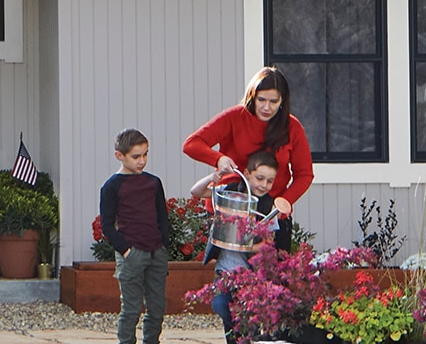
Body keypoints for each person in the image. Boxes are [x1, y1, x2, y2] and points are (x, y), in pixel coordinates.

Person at [182, 66, 314, 219]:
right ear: (252, 96)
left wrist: (283, 202)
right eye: (261, 100)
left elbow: (304, 174)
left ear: (282, 101)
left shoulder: (292, 127)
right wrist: (219, 159)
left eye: (273, 101)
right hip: (229, 204)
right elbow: (191, 144)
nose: (267, 107)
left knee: (271, 244)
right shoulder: (234, 117)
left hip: (271, 210)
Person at [189, 150, 293, 342]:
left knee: (248, 318)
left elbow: (267, 245)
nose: (264, 185)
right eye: (259, 178)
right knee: (222, 306)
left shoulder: (268, 205)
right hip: (226, 271)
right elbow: (196, 192)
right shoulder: (231, 192)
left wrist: (242, 246)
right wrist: (214, 177)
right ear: (247, 174)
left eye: (269, 181)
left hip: (251, 275)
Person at [99, 129, 170, 344]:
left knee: (157, 307)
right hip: (132, 253)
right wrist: (126, 251)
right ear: (119, 155)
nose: (142, 161)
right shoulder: (112, 186)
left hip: (156, 252)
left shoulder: (154, 182)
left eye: (145, 155)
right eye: (136, 156)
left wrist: (163, 246)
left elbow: (162, 216)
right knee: (130, 309)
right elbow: (107, 225)